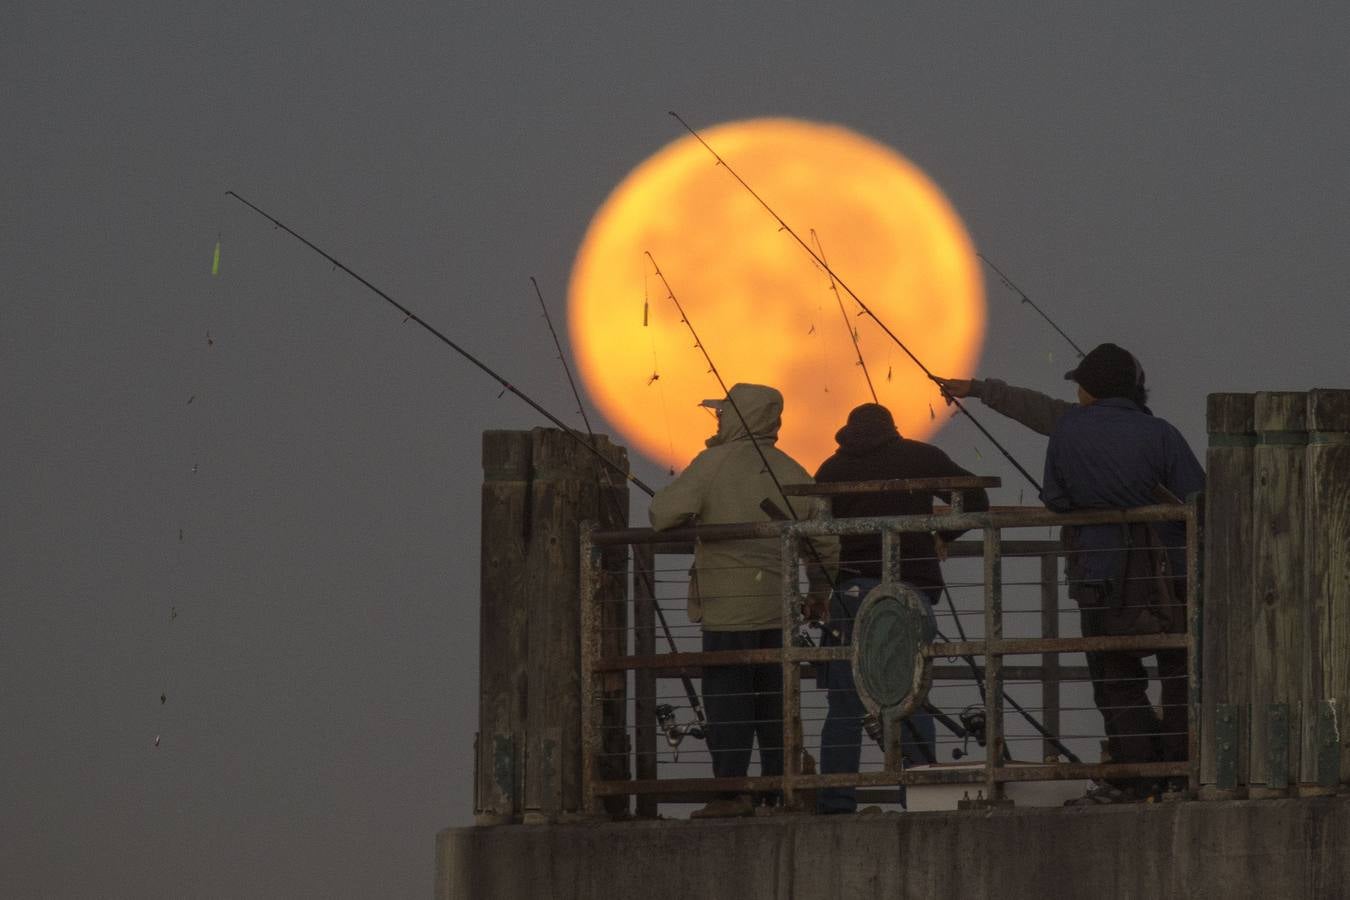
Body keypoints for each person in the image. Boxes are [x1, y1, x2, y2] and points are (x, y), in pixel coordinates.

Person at [952, 344, 1203, 803]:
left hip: (1098, 578)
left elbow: (1056, 497)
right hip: (1169, 579)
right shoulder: (1161, 433)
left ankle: (1138, 772)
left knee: (1115, 678)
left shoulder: (1067, 429)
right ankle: (1178, 771)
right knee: (1178, 671)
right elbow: (1198, 496)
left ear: (1092, 388)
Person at [649, 383, 837, 818]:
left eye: (722, 414)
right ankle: (778, 790)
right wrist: (819, 593)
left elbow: (661, 514)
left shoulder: (712, 464)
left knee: (728, 702)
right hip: (780, 610)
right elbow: (824, 544)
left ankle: (730, 793)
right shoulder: (792, 470)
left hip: (727, 612)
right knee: (775, 700)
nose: (717, 421)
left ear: (736, 417)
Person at [812, 403, 989, 814]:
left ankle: (836, 802)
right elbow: (977, 497)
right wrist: (941, 534)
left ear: (846, 431)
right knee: (911, 694)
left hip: (852, 592)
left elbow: (815, 530)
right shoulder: (920, 456)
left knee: (844, 704)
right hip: (911, 588)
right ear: (893, 427)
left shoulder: (832, 469)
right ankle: (921, 796)